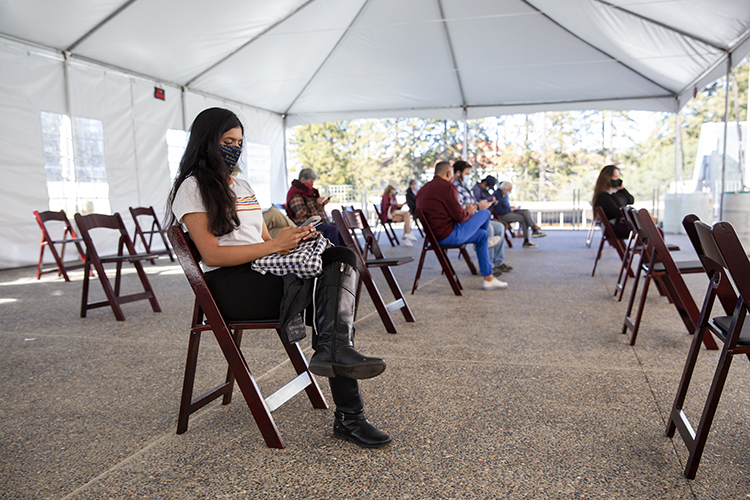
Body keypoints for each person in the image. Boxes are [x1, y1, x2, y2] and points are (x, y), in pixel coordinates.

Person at [166, 107, 391, 448]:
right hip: (230, 286)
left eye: (239, 141)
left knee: (340, 256)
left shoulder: (240, 184)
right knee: (326, 290)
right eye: (227, 141)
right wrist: (273, 248)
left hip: (260, 268)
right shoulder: (191, 188)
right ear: (206, 141)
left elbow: (260, 242)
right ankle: (350, 412)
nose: (235, 148)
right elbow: (211, 254)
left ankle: (336, 355)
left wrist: (289, 242)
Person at [416, 160, 507, 290]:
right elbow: (460, 217)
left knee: (482, 235)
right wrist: (469, 212)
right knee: (485, 213)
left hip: (433, 238)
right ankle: (484, 245)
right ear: (449, 174)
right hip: (449, 235)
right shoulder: (447, 187)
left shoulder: (422, 190)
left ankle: (488, 278)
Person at [452, 161, 512, 277]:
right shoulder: (454, 188)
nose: (468, 177)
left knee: (499, 227)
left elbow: (472, 204)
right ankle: (487, 267)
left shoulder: (465, 186)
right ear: (458, 173)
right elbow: (460, 208)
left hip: (476, 215)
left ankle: (497, 263)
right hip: (467, 219)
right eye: (467, 174)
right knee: (487, 229)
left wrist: (481, 205)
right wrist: (478, 206)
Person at [285, 168, 341, 246]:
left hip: (316, 223)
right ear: (302, 179)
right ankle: (332, 253)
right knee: (333, 230)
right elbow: (300, 212)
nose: (312, 184)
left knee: (341, 230)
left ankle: (343, 254)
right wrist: (315, 202)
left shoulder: (309, 192)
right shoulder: (295, 193)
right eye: (311, 181)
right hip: (305, 226)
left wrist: (321, 204)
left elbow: (312, 209)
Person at [494, 181, 546, 248]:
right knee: (523, 218)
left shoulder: (504, 195)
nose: (509, 192)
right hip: (503, 215)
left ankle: (533, 229)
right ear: (504, 189)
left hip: (508, 211)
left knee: (525, 212)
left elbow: (505, 206)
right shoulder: (497, 195)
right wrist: (510, 209)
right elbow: (499, 211)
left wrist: (512, 208)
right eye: (509, 190)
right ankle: (530, 235)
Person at [592, 164, 634, 239]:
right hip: (615, 227)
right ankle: (643, 249)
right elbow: (617, 212)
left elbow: (630, 200)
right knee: (648, 231)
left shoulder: (615, 193)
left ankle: (643, 249)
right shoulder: (603, 196)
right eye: (615, 177)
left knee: (651, 230)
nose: (618, 179)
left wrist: (622, 189)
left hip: (620, 225)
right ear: (607, 178)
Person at [380, 179, 417, 246]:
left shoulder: (393, 196)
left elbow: (394, 206)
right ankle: (407, 234)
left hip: (393, 213)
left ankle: (405, 237)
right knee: (407, 214)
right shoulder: (386, 196)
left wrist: (399, 206)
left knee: (407, 217)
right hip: (387, 215)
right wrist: (396, 206)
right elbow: (386, 207)